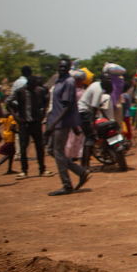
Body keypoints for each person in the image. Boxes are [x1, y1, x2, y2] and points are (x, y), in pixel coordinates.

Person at [44, 59, 91, 195]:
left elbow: (68, 106)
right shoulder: (59, 81)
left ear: (69, 68)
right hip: (55, 120)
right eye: (60, 66)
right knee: (52, 150)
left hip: (62, 122)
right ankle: (80, 172)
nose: (62, 68)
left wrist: (53, 123)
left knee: (58, 151)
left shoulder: (69, 82)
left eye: (65, 67)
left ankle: (67, 185)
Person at [6, 75, 49, 180]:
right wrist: (15, 116)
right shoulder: (20, 92)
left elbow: (46, 100)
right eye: (33, 85)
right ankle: (24, 170)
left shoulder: (39, 91)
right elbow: (8, 102)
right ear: (28, 84)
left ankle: (42, 169)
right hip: (24, 123)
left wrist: (43, 113)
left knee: (39, 146)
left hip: (36, 123)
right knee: (23, 147)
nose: (34, 87)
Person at [77, 71, 115, 169]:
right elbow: (94, 108)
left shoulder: (96, 85)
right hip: (84, 112)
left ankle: (84, 164)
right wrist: (93, 124)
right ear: (101, 79)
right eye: (107, 79)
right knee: (90, 137)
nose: (109, 80)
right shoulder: (98, 89)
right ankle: (85, 165)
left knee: (89, 138)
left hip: (83, 111)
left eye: (110, 79)